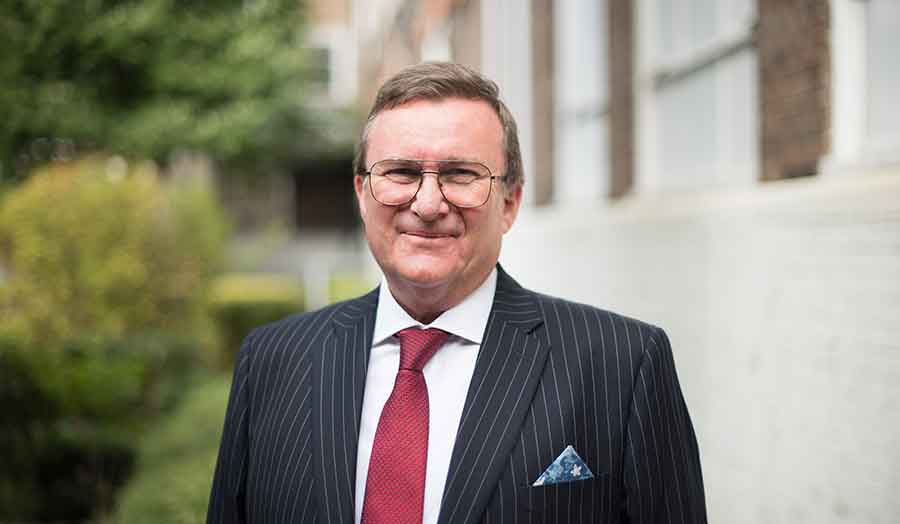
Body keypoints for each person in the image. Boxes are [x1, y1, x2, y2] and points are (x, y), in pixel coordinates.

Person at [207, 62, 706, 524]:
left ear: (509, 201)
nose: (427, 204)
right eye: (401, 172)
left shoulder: (622, 365)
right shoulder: (271, 361)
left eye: (460, 175)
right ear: (361, 193)